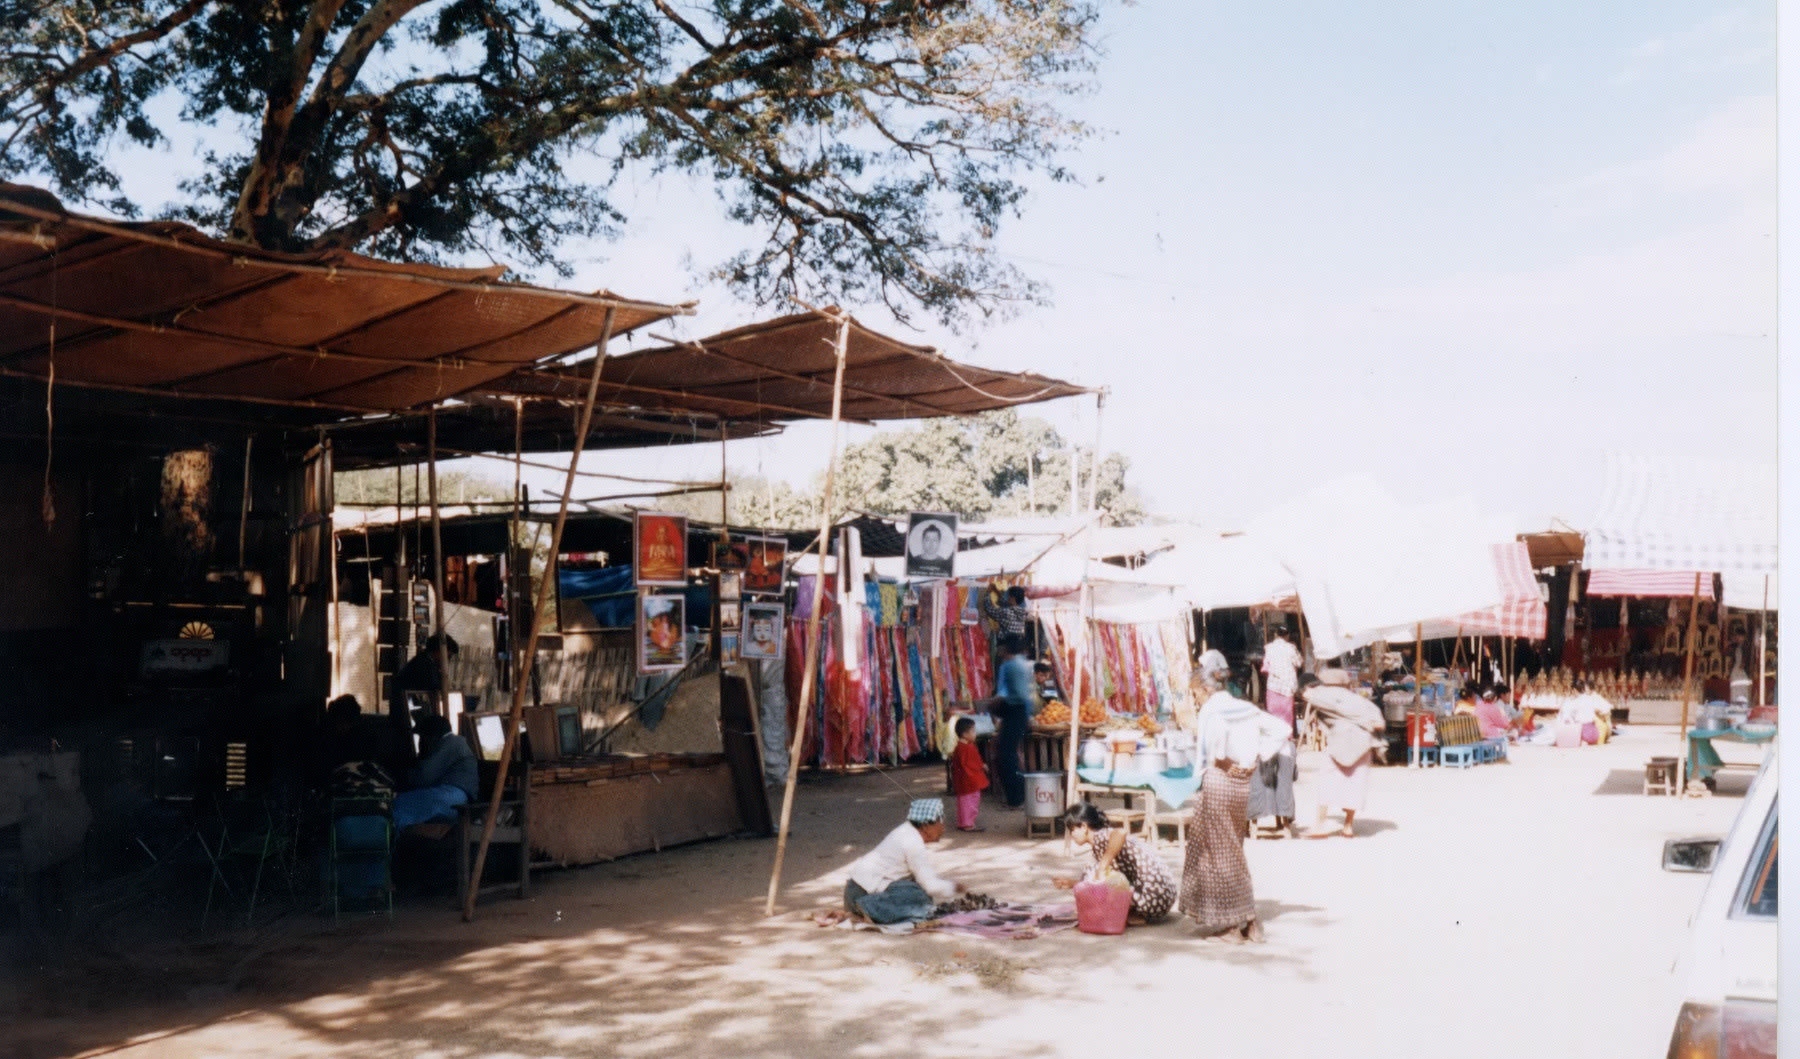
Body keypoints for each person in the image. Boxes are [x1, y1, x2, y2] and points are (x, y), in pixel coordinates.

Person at [1178, 670, 1286, 942]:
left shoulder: (1212, 711)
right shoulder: (1245, 708)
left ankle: (1236, 924)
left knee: (1222, 854)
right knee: (1230, 849)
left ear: (1204, 690)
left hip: (1219, 780)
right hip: (1241, 785)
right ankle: (1246, 922)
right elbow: (1282, 729)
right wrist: (1255, 758)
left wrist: (1226, 760)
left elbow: (1211, 750)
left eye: (1195, 694)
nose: (1196, 700)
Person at [1053, 802, 1177, 925]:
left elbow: (1120, 833)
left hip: (1155, 896)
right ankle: (1135, 912)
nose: (1071, 835)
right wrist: (1073, 883)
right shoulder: (1099, 842)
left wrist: (1102, 866)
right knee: (1096, 873)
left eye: (1072, 830)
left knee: (1093, 872)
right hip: (1164, 894)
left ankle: (1138, 913)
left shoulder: (1101, 836)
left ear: (1084, 827)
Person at [843, 798, 962, 924]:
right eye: (940, 822)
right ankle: (868, 908)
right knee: (919, 896)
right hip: (860, 895)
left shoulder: (906, 830)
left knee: (917, 892)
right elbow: (930, 886)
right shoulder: (912, 842)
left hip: (855, 891)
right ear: (926, 826)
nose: (943, 828)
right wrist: (953, 887)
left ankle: (868, 908)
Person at [1303, 670, 1384, 838]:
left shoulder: (1323, 694)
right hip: (1363, 742)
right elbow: (1379, 723)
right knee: (1355, 782)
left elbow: (1308, 696)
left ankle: (1319, 825)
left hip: (1340, 741)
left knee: (1327, 780)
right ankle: (1348, 826)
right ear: (1347, 684)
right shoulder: (1359, 700)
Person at [392, 713, 479, 832]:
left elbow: (424, 777)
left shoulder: (450, 743)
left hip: (452, 798)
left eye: (423, 736)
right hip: (454, 797)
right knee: (404, 802)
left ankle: (392, 846)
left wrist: (401, 776)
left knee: (399, 805)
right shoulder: (454, 743)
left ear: (432, 735)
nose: (421, 741)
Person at [986, 634, 1039, 808]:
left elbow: (1009, 692)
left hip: (1014, 711)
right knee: (1011, 754)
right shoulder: (1023, 664)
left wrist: (995, 702)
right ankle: (1018, 795)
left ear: (1005, 649)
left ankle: (1015, 798)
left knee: (1007, 755)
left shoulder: (1010, 666)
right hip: (1020, 712)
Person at [949, 717, 989, 832]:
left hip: (962, 780)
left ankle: (964, 822)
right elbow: (971, 763)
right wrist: (982, 766)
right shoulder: (967, 748)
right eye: (973, 731)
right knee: (970, 801)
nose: (975, 734)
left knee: (963, 801)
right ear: (965, 734)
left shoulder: (960, 747)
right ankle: (967, 823)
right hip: (969, 780)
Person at [1260, 624, 1302, 731]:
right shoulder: (1291, 648)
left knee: (1274, 713)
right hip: (1287, 686)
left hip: (1273, 685)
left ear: (1276, 635)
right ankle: (1287, 736)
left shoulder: (1268, 648)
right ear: (1287, 636)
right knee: (1286, 713)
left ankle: (1274, 734)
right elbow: (1299, 662)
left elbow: (1266, 665)